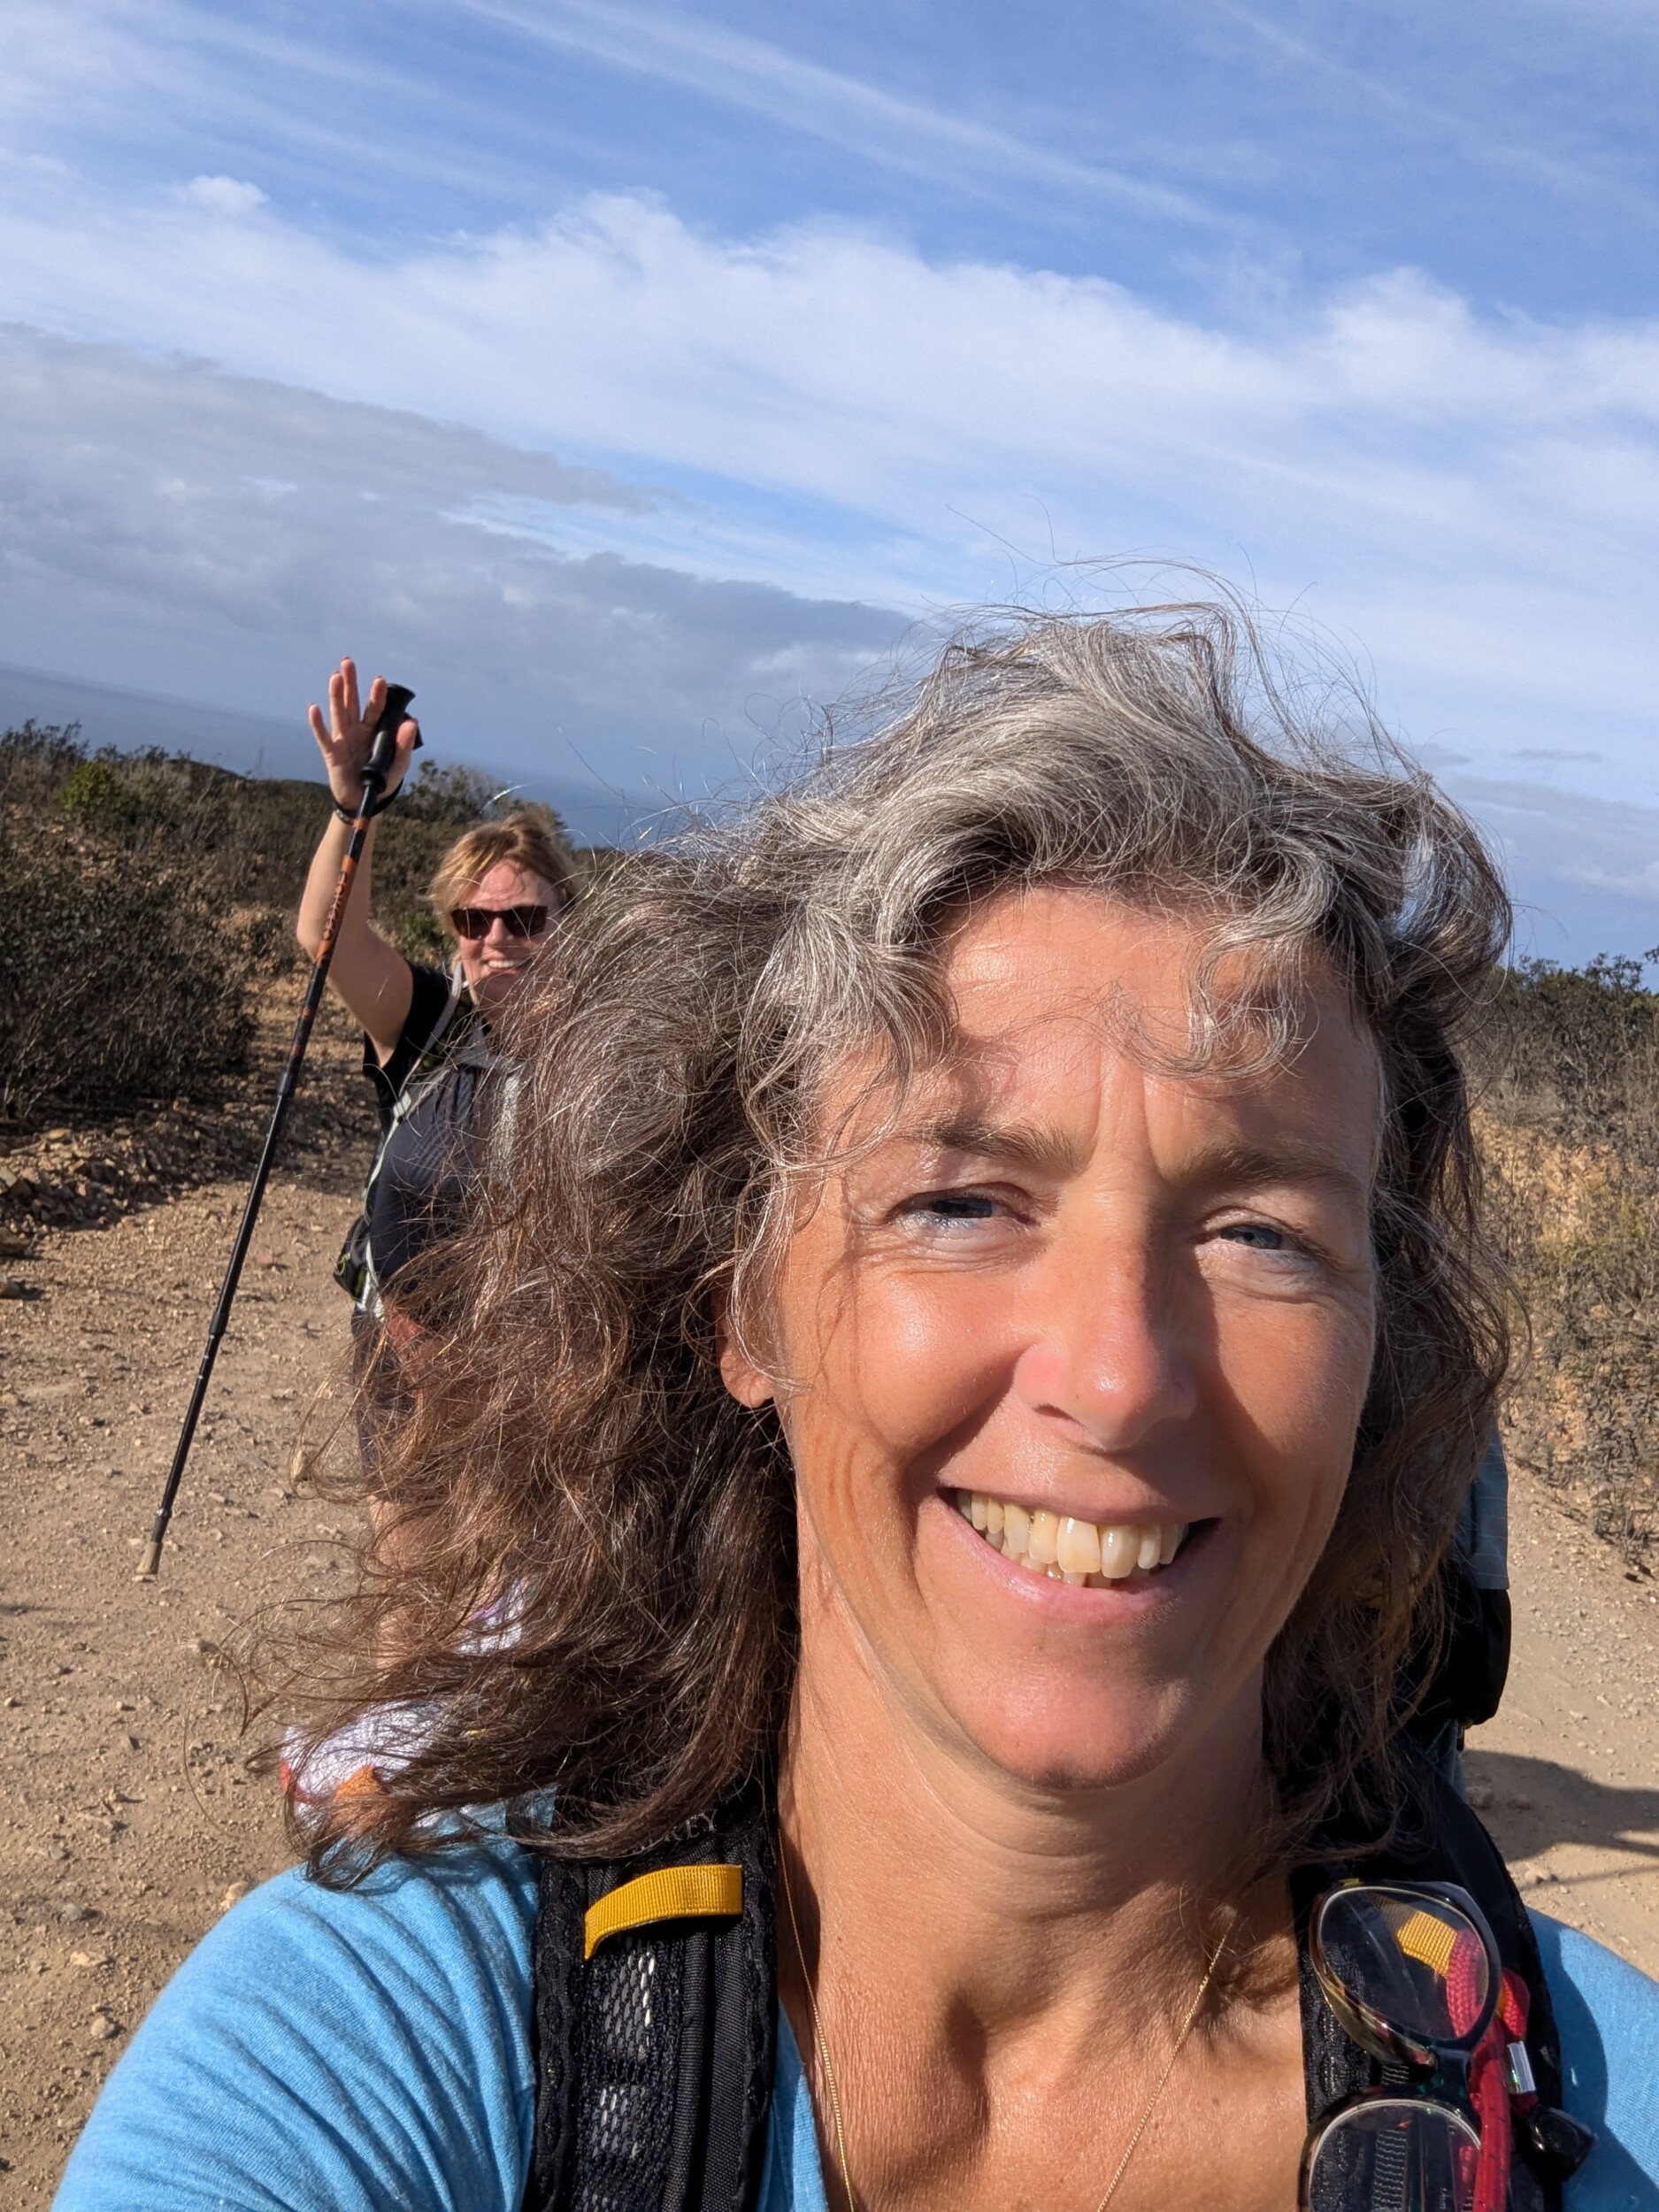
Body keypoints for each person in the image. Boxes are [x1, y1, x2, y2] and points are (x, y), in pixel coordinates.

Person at [58, 606, 1657, 2211]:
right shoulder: (383, 2052)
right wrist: (352, 817)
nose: (1117, 1379)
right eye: (957, 1202)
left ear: (1387, 1338)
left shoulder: (1606, 2108)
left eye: (1261, 1233)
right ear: (739, 1297)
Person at [296, 656, 578, 1317]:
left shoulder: (603, 1047)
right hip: (401, 1356)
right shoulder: (429, 1019)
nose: (497, 939)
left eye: (525, 920)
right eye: (473, 920)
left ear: (568, 923)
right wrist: (354, 810)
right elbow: (327, 939)